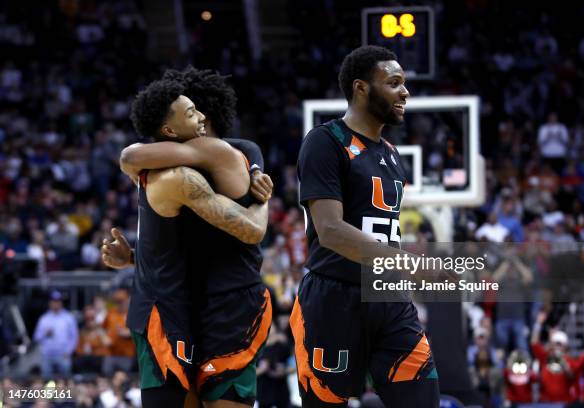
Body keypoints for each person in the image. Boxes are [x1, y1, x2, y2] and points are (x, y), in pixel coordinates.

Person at [103, 68, 274, 408]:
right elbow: (130, 157)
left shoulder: (229, 154)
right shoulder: (176, 172)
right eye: (191, 112)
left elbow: (131, 158)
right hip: (178, 305)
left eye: (198, 110)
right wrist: (139, 258)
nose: (200, 117)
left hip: (227, 300)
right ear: (169, 129)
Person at [290, 45, 439, 407]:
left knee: (424, 398)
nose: (405, 92)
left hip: (389, 299)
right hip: (333, 298)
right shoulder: (325, 141)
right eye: (394, 83)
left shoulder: (390, 152)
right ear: (361, 88)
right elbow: (331, 230)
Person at [33, 290, 78, 379]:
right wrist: (44, 334)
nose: (56, 304)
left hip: (63, 354)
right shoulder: (44, 318)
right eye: (53, 301)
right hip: (47, 355)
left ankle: (65, 393)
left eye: (58, 301)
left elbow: (74, 336)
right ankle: (49, 393)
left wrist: (68, 351)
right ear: (50, 303)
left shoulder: (68, 317)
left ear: (61, 303)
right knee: (47, 381)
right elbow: (36, 337)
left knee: (65, 380)